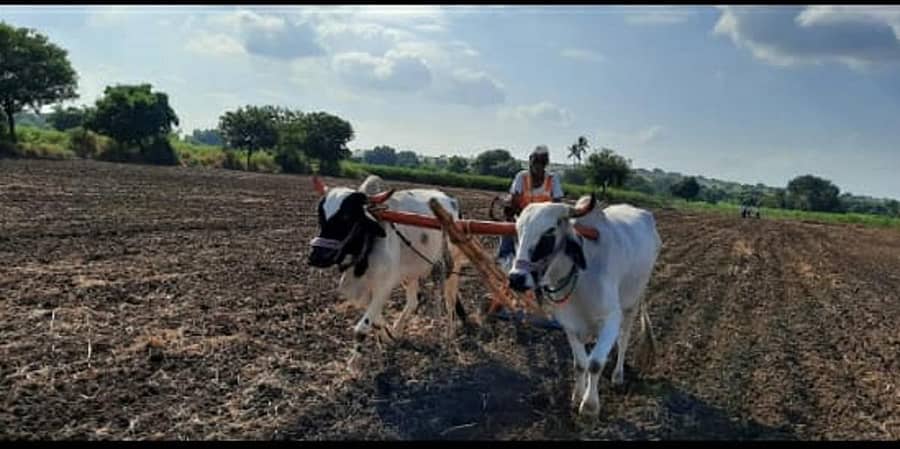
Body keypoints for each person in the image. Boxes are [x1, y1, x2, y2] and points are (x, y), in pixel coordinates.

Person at [496, 145, 564, 269]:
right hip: (522, 218)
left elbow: (557, 203)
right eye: (536, 161)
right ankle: (505, 257)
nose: (538, 165)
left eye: (542, 162)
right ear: (530, 161)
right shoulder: (521, 177)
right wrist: (509, 205)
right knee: (508, 221)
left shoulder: (552, 179)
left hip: (544, 223)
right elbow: (514, 199)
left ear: (546, 164)